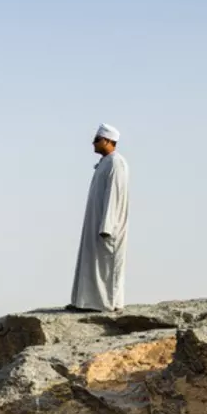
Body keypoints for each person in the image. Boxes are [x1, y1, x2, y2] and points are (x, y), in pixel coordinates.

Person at [70, 123, 130, 311]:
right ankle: (89, 302)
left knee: (106, 265)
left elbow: (115, 195)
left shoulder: (116, 163)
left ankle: (108, 303)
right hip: (96, 222)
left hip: (107, 225)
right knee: (92, 263)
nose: (93, 143)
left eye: (97, 140)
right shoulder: (105, 163)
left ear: (108, 141)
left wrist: (108, 225)